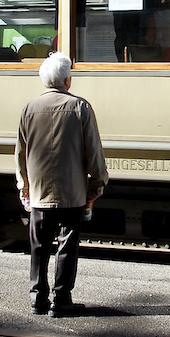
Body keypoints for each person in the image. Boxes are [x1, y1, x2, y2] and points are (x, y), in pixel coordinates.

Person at [16, 52, 108, 318]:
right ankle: (62, 299)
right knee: (67, 244)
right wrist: (98, 184)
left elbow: (21, 153)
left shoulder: (29, 108)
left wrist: (24, 186)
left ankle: (37, 298)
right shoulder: (81, 108)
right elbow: (93, 151)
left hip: (40, 192)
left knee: (39, 246)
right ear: (67, 80)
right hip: (72, 192)